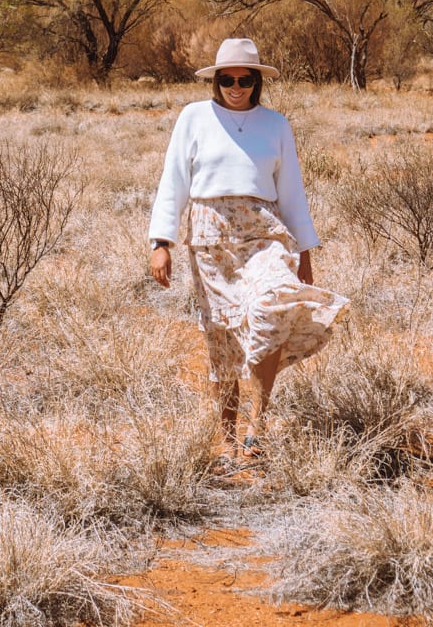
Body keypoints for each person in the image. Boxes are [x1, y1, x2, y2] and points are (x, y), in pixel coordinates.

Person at [148, 37, 348, 461]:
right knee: (221, 335)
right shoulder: (194, 118)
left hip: (264, 233)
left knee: (271, 308)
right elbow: (173, 181)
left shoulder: (275, 124)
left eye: (244, 79)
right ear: (216, 80)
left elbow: (291, 191)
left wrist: (306, 253)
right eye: (227, 79)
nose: (235, 87)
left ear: (257, 82)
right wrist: (160, 242)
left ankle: (258, 424)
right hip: (209, 238)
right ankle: (226, 435)